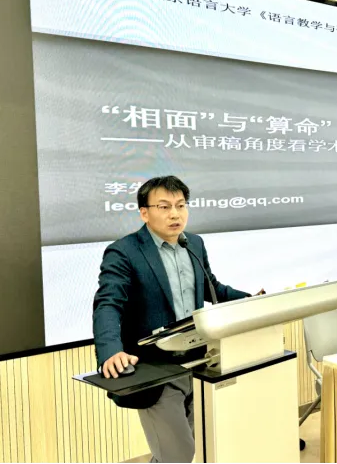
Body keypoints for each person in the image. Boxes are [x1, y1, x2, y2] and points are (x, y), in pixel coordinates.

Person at [93, 175, 263, 463]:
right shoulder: (124, 251)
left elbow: (212, 288)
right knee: (178, 454)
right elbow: (108, 304)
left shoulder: (193, 243)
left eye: (181, 205)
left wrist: (250, 300)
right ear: (144, 213)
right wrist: (111, 351)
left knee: (187, 446)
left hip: (197, 362)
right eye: (164, 206)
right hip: (156, 368)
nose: (175, 214)